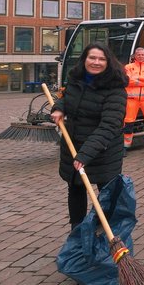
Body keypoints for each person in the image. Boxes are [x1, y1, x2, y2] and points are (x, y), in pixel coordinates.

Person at [50, 43, 128, 229]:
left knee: (105, 193)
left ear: (108, 62)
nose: (96, 62)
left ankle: (106, 231)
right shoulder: (77, 79)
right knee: (76, 187)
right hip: (74, 143)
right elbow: (67, 97)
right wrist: (59, 108)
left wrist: (85, 154)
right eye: (92, 58)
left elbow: (109, 125)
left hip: (103, 150)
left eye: (101, 59)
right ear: (84, 59)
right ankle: (77, 231)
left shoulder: (115, 88)